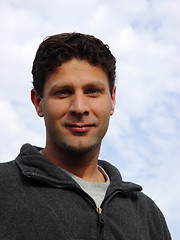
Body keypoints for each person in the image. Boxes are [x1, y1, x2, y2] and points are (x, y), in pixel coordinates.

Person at [0, 33, 171, 240]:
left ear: (112, 99)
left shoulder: (147, 215)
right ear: (38, 102)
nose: (79, 108)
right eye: (63, 92)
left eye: (92, 91)